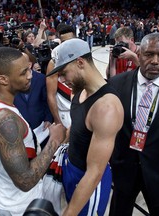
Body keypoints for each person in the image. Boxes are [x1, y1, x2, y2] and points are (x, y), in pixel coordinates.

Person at [0, 46, 66, 215]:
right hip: (19, 204)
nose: (30, 75)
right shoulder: (4, 121)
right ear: (3, 79)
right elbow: (25, 181)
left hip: (7, 191)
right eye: (23, 72)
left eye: (29, 69)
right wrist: (55, 141)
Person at [108, 32, 159, 216]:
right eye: (149, 54)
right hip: (124, 170)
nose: (155, 61)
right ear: (139, 53)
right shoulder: (116, 84)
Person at [46, 38, 124, 216]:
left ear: (80, 62)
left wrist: (70, 213)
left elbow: (95, 172)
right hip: (71, 167)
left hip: (89, 181)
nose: (62, 80)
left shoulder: (107, 107)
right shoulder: (79, 89)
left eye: (64, 73)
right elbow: (75, 128)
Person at [14, 53, 53, 149]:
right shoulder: (13, 80)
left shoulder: (41, 79)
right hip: (22, 128)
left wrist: (48, 118)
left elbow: (47, 100)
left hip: (41, 126)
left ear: (29, 65)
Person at [46, 23, 76, 129]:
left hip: (81, 111)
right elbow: (51, 95)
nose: (67, 45)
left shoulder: (83, 57)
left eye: (70, 41)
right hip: (65, 114)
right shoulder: (54, 62)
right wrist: (58, 121)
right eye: (63, 42)